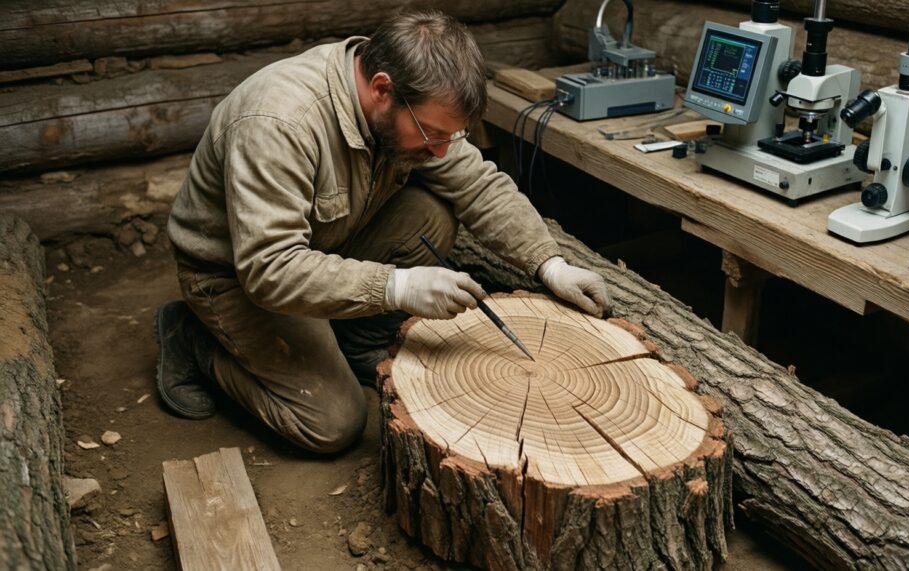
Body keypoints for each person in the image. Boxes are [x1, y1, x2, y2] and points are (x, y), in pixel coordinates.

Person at [154, 10, 610, 453]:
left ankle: (353, 338)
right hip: (236, 277)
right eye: (432, 134)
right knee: (333, 422)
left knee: (431, 215)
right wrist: (396, 286)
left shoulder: (413, 105)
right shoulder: (279, 122)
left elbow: (476, 183)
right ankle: (194, 340)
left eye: (450, 136)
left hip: (326, 243)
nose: (439, 151)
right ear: (381, 89)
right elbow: (270, 268)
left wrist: (551, 265)